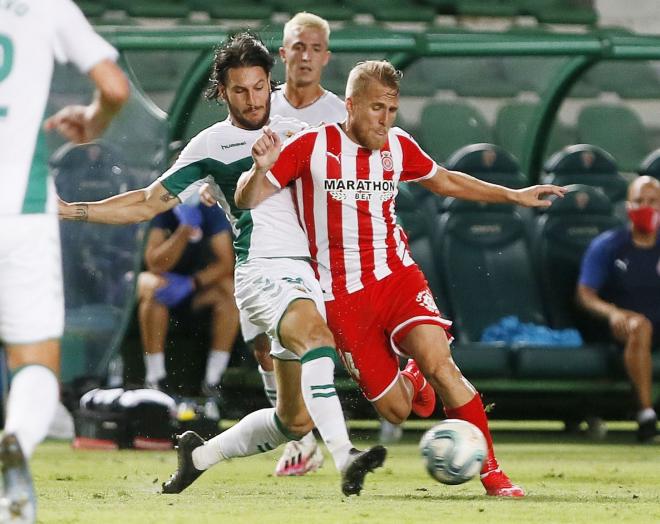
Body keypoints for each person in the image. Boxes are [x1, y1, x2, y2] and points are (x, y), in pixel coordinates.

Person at [58, 32, 385, 497]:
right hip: (264, 269)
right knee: (316, 337)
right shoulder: (213, 144)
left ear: (270, 82)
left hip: (313, 273)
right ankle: (346, 456)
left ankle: (198, 455)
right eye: (239, 90)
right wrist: (71, 208)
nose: (252, 100)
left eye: (258, 87)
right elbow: (147, 203)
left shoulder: (304, 129)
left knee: (293, 420)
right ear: (222, 92)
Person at [236, 59, 567, 497]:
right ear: (350, 105)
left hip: (398, 279)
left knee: (443, 367)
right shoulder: (311, 147)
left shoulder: (398, 147)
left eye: (392, 111)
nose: (385, 120)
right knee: (396, 411)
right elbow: (247, 199)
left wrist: (513, 195)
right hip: (343, 300)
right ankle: (411, 377)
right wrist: (259, 168)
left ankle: (493, 474)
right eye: (376, 109)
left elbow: (445, 181)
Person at [0, 0, 129, 520]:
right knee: (36, 365)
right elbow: (116, 88)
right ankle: (16, 441)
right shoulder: (49, 7)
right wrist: (94, 120)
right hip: (22, 207)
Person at [261, 11, 351, 477]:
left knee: (321, 340)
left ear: (327, 58)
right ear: (282, 53)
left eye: (316, 48)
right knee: (265, 343)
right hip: (265, 242)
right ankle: (300, 436)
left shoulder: (339, 114)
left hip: (322, 245)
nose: (306, 56)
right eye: (298, 46)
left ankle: (310, 434)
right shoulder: (260, 107)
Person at [577, 176, 660, 443]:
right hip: (623, 325)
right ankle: (646, 415)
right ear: (628, 207)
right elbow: (585, 294)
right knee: (640, 326)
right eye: (639, 201)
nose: (645, 207)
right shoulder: (609, 245)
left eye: (652, 202)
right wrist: (612, 312)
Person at [137, 199, 239, 401]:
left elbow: (225, 263)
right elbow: (155, 264)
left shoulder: (209, 210)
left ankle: (213, 380)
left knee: (229, 293)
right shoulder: (161, 209)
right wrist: (184, 230)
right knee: (150, 287)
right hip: (164, 287)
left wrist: (193, 283)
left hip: (195, 290)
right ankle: (155, 378)